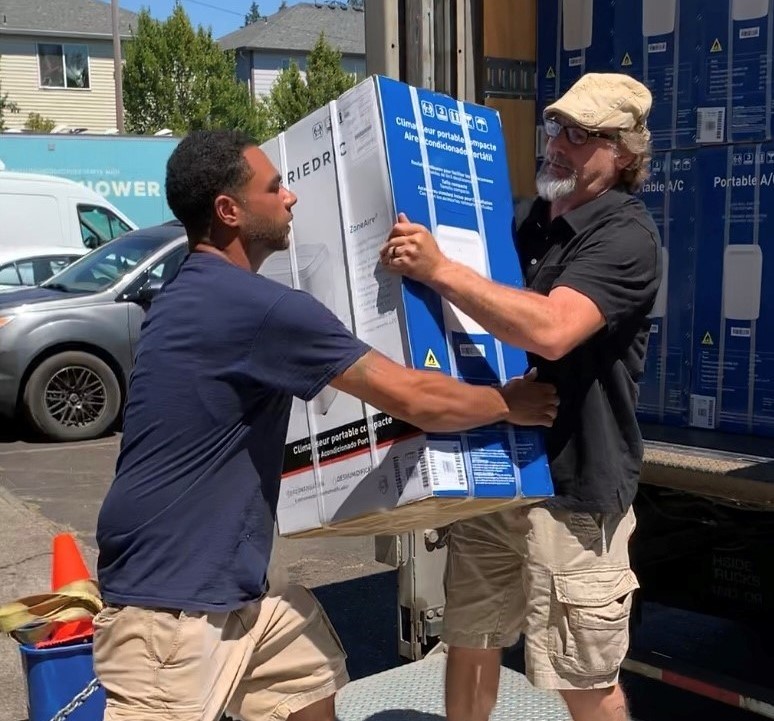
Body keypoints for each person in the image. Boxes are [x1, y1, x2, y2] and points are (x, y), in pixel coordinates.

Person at [92, 129, 559, 721]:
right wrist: (507, 403)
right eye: (274, 187)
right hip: (170, 605)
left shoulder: (187, 291)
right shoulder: (253, 307)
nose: (290, 198)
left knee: (309, 678)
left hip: (235, 584)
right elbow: (413, 398)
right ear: (229, 211)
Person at [380, 73, 662, 721]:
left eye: (584, 135)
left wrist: (440, 269)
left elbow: (554, 329)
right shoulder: (524, 222)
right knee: (469, 640)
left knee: (582, 676)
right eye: (558, 128)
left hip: (571, 495)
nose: (560, 144)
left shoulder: (625, 237)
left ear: (623, 153)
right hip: (497, 472)